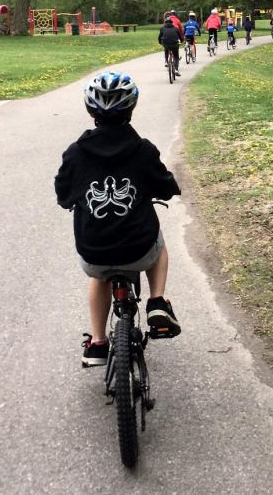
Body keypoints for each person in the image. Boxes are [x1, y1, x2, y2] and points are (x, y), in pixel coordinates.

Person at [55, 71, 182, 367]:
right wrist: (168, 188)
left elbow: (63, 194)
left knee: (99, 277)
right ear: (131, 108)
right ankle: (157, 301)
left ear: (90, 110)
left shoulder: (75, 154)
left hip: (94, 254)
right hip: (139, 251)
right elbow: (166, 186)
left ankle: (98, 344)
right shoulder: (143, 150)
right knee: (159, 243)